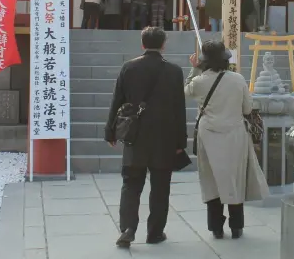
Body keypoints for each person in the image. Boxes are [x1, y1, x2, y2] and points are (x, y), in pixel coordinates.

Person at [104, 27, 187, 248]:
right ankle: (155, 232)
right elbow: (180, 109)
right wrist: (181, 141)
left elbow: (117, 101)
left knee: (131, 184)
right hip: (165, 137)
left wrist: (110, 130)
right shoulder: (174, 71)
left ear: (142, 44)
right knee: (161, 187)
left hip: (135, 135)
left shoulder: (129, 68)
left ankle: (128, 228)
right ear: (163, 44)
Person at [184, 40, 268, 239]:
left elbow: (186, 90)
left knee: (211, 180)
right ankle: (237, 226)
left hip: (208, 134)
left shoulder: (200, 81)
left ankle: (216, 227)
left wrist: (194, 69)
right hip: (235, 134)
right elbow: (248, 109)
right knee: (234, 179)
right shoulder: (237, 79)